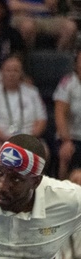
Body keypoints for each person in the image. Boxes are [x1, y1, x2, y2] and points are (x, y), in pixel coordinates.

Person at [0, 54, 46, 160]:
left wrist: (29, 138)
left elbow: (41, 120)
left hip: (29, 137)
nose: (11, 74)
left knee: (43, 150)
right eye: (8, 70)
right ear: (1, 72)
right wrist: (6, 138)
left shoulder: (32, 92)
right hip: (0, 139)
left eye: (15, 71)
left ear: (21, 73)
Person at [53, 50, 81, 178]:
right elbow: (60, 114)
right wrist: (66, 140)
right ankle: (62, 187)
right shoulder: (68, 83)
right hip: (71, 138)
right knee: (66, 152)